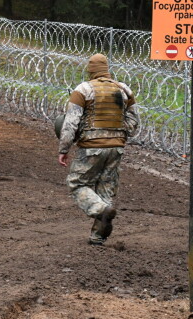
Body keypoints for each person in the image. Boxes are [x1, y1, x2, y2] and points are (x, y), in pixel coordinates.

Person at [58, 53, 139, 245]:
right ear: (107, 68)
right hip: (116, 147)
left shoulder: (83, 90)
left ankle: (99, 210)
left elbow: (70, 123)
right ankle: (98, 236)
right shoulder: (124, 90)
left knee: (77, 183)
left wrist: (64, 148)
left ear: (90, 70)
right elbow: (135, 123)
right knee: (106, 189)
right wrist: (118, 133)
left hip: (91, 148)